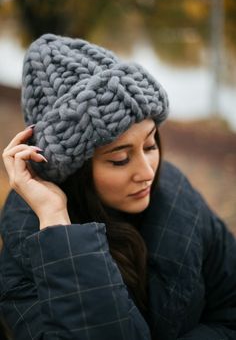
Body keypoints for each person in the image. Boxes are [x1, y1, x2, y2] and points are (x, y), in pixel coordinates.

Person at [0, 34, 236, 340]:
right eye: (120, 159)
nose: (147, 172)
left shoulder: (179, 195)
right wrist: (57, 221)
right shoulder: (24, 258)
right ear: (75, 172)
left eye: (150, 145)